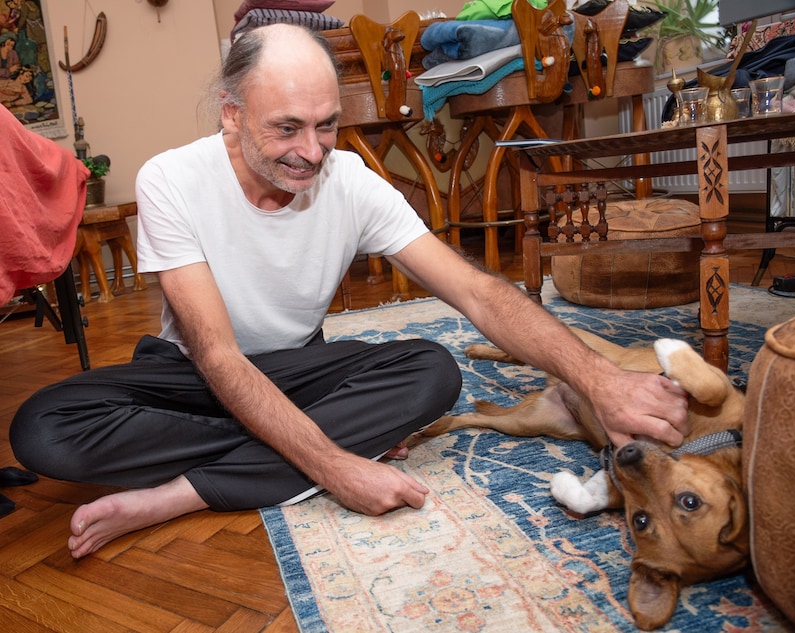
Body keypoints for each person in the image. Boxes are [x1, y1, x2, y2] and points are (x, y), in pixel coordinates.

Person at [10, 24, 688, 559]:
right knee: (42, 429)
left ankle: (178, 494)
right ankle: (311, 442)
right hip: (191, 373)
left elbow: (480, 295)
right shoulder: (171, 180)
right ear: (231, 115)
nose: (312, 150)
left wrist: (598, 380)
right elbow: (217, 357)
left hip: (301, 370)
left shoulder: (353, 182)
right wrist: (337, 464)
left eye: (327, 124)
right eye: (286, 127)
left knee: (432, 368)